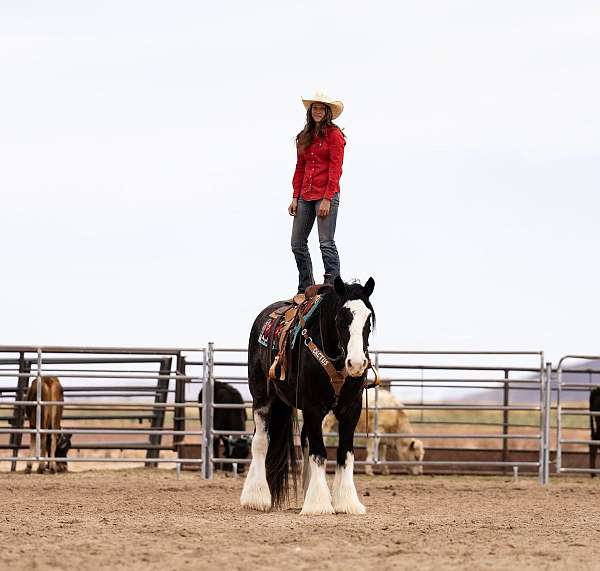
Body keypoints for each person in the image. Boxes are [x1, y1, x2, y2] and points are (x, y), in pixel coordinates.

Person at [289, 90, 346, 293]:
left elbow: (335, 168)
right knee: (297, 242)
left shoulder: (335, 135)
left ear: (328, 112)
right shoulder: (305, 136)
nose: (318, 111)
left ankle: (333, 285)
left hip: (325, 195)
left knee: (326, 242)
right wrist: (295, 196)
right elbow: (300, 168)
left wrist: (327, 198)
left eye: (322, 108)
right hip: (305, 194)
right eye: (315, 108)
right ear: (311, 111)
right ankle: (305, 286)